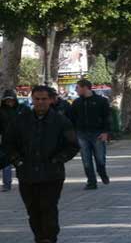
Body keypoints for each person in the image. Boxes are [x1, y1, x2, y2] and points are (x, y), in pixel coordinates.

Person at [2, 85, 80, 243]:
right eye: (37, 99)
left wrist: (58, 159)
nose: (40, 102)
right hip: (27, 173)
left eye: (44, 99)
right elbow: (8, 144)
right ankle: (39, 237)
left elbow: (73, 145)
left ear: (50, 100)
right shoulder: (21, 120)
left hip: (52, 174)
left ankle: (49, 238)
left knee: (48, 208)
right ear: (32, 99)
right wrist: (18, 161)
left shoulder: (60, 121)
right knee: (33, 210)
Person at [67, 79, 112, 190]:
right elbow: (72, 118)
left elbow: (108, 117)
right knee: (86, 160)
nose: (76, 90)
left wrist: (106, 132)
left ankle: (102, 172)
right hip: (82, 134)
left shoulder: (101, 101)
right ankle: (91, 182)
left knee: (100, 159)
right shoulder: (77, 102)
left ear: (85, 87)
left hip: (97, 133)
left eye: (77, 87)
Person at [0, 89, 30, 192]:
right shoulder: (1, 111)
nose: (9, 102)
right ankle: (7, 184)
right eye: (7, 100)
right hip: (6, 141)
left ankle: (25, 182)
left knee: (21, 162)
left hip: (21, 141)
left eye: (11, 100)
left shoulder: (23, 109)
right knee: (6, 164)